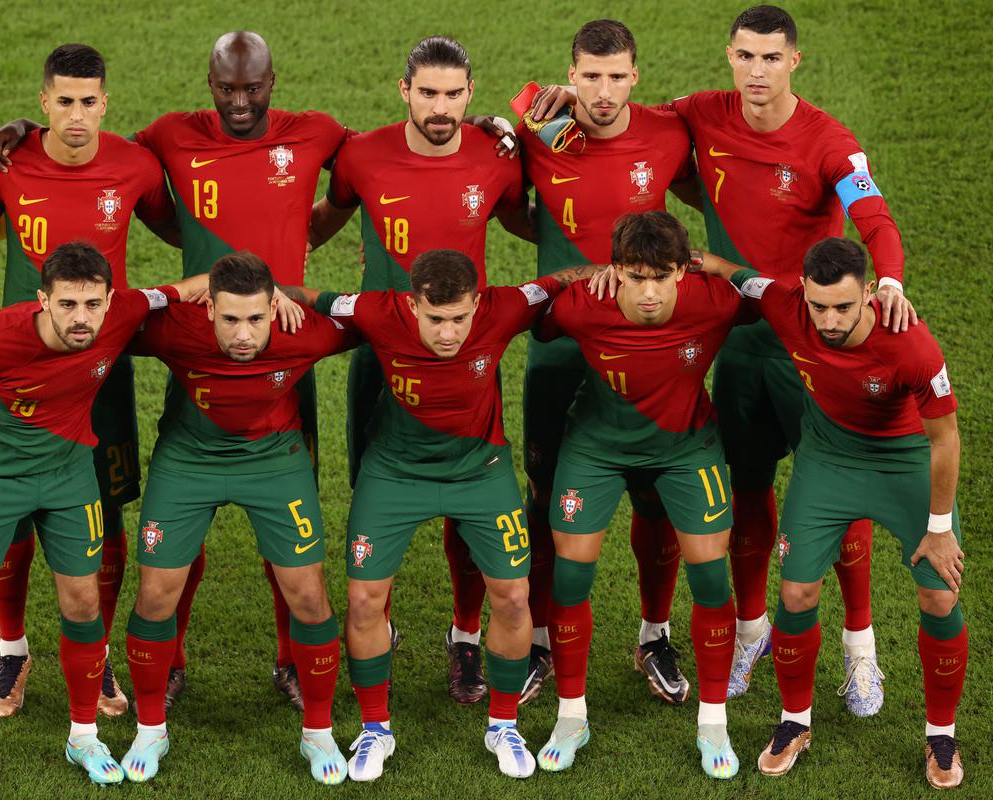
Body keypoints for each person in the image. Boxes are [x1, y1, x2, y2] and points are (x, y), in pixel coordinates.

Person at [529, 4, 913, 713]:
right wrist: (529, 108)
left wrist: (885, 276)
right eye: (745, 56)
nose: (757, 71)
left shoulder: (830, 141)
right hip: (736, 341)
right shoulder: (701, 116)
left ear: (794, 60)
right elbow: (612, 117)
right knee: (748, 488)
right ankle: (749, 628)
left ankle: (862, 649)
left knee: (840, 490)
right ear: (729, 56)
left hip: (811, 342)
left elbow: (873, 212)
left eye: (771, 58)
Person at [0, 30, 351, 710]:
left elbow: (386, 161)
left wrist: (295, 258)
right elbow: (84, 138)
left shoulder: (318, 133)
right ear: (208, 83)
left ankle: (291, 661)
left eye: (254, 87)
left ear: (274, 81)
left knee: (286, 526)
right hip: (184, 348)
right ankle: (155, 660)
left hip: (282, 349)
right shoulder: (166, 139)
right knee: (179, 521)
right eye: (227, 88)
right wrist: (24, 128)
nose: (241, 101)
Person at [284, 250, 602, 780]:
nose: (449, 332)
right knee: (364, 600)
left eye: (460, 318)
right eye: (436, 319)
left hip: (480, 472)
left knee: (515, 596)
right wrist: (274, 292)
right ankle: (374, 729)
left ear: (477, 303)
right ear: (413, 306)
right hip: (393, 475)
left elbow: (555, 281)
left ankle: (503, 723)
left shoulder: (504, 308)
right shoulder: (377, 311)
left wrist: (602, 270)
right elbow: (311, 297)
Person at [0, 242, 206, 797]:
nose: (81, 318)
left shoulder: (123, 311)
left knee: (83, 602)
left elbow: (188, 287)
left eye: (92, 304)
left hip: (68, 474)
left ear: (109, 301)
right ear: (43, 301)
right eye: (67, 305)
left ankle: (83, 735)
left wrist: (267, 289)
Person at [308, 36, 533, 706]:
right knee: (377, 499)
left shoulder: (496, 158)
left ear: (470, 93)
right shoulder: (359, 155)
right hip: (377, 355)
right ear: (403, 88)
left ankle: (467, 636)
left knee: (471, 514)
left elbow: (531, 221)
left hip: (463, 356)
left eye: (454, 94)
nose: (441, 107)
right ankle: (377, 618)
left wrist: (529, 133)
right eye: (427, 92)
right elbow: (326, 216)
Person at [702, 238, 965, 789]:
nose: (828, 319)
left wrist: (939, 529)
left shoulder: (911, 345)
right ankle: (795, 721)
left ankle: (941, 733)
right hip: (827, 459)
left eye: (843, 307)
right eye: (819, 306)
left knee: (940, 594)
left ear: (869, 293)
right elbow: (737, 272)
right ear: (805, 292)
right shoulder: (787, 305)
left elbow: (945, 439)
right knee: (796, 594)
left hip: (903, 462)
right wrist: (693, 260)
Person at [0, 42, 180, 719]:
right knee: (9, 519)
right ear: (43, 104)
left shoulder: (135, 165)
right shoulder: (6, 161)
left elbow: (182, 230)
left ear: (105, 102)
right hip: (14, 369)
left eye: (88, 102)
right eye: (63, 102)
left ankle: (96, 655)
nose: (76, 116)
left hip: (101, 373)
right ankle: (12, 649)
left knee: (106, 511)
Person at [512, 19, 697, 705]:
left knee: (653, 487)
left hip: (646, 346)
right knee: (543, 488)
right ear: (571, 73)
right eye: (590, 75)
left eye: (617, 76)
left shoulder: (670, 133)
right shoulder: (538, 125)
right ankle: (536, 637)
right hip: (559, 344)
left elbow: (709, 195)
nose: (602, 91)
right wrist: (568, 270)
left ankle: (654, 634)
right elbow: (508, 203)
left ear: (635, 77)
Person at [119, 252, 358, 785]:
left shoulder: (305, 333)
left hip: (273, 460)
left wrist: (301, 295)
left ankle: (318, 733)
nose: (244, 334)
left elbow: (377, 322)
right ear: (209, 311)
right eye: (230, 319)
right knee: (156, 594)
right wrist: (180, 290)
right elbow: (106, 318)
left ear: (275, 307)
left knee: (310, 595)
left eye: (256, 318)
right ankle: (150, 727)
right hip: (188, 460)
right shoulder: (175, 328)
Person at [534, 211, 750, 779]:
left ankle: (713, 721)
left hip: (686, 448)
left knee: (710, 577)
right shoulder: (584, 305)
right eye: (634, 276)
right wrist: (580, 274)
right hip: (597, 448)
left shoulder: (715, 301)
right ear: (617, 272)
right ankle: (571, 715)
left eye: (662, 275)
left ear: (683, 271)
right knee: (572, 573)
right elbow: (534, 314)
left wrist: (717, 262)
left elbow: (768, 293)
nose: (649, 292)